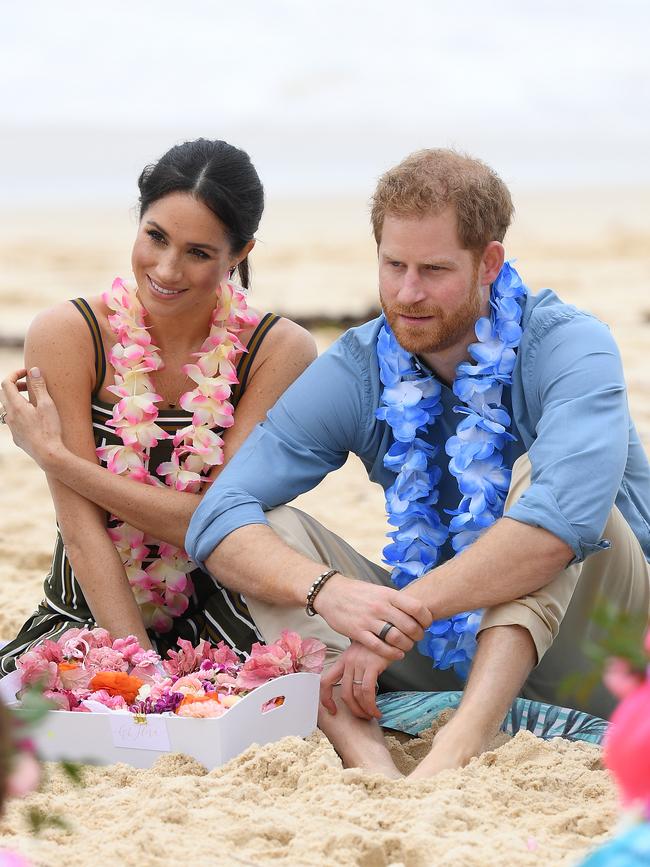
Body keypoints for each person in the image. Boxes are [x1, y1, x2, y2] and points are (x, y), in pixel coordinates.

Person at [180, 149, 649, 779]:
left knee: (539, 491)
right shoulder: (361, 363)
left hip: (608, 645)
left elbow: (554, 528)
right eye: (393, 265)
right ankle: (367, 753)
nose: (407, 293)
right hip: (440, 641)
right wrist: (331, 593)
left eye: (433, 270)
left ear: (489, 262)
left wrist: (404, 612)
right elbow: (218, 516)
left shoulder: (572, 343)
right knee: (271, 530)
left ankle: (460, 742)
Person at [0, 138, 316, 673]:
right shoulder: (68, 334)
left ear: (240, 254)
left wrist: (56, 459)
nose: (167, 270)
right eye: (156, 237)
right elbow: (81, 527)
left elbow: (213, 521)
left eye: (199, 252)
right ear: (139, 221)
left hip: (229, 612)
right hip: (89, 610)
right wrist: (142, 670)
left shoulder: (278, 350)